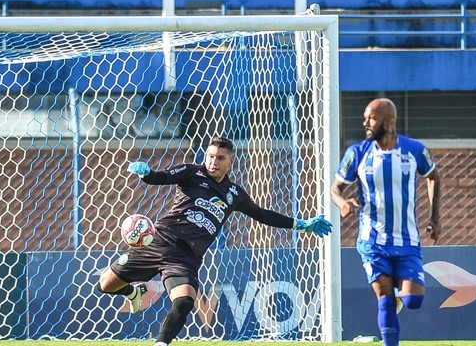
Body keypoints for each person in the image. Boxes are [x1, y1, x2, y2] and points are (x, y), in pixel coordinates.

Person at [97, 136, 332, 346]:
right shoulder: (191, 172)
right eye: (210, 156)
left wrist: (300, 224)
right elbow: (163, 177)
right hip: (159, 240)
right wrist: (147, 175)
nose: (213, 162)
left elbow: (263, 214)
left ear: (230, 161)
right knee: (105, 285)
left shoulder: (235, 194)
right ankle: (133, 293)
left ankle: (161, 344)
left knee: (185, 301)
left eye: (220, 158)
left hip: (185, 257)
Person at [330, 98, 441, 346]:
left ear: (388, 121)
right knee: (385, 299)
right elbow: (335, 188)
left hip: (408, 240)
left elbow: (433, 177)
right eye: (365, 117)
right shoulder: (357, 153)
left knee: (413, 300)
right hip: (372, 241)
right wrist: (342, 203)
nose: (365, 123)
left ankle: (400, 297)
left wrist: (435, 218)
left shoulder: (415, 150)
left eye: (371, 118)